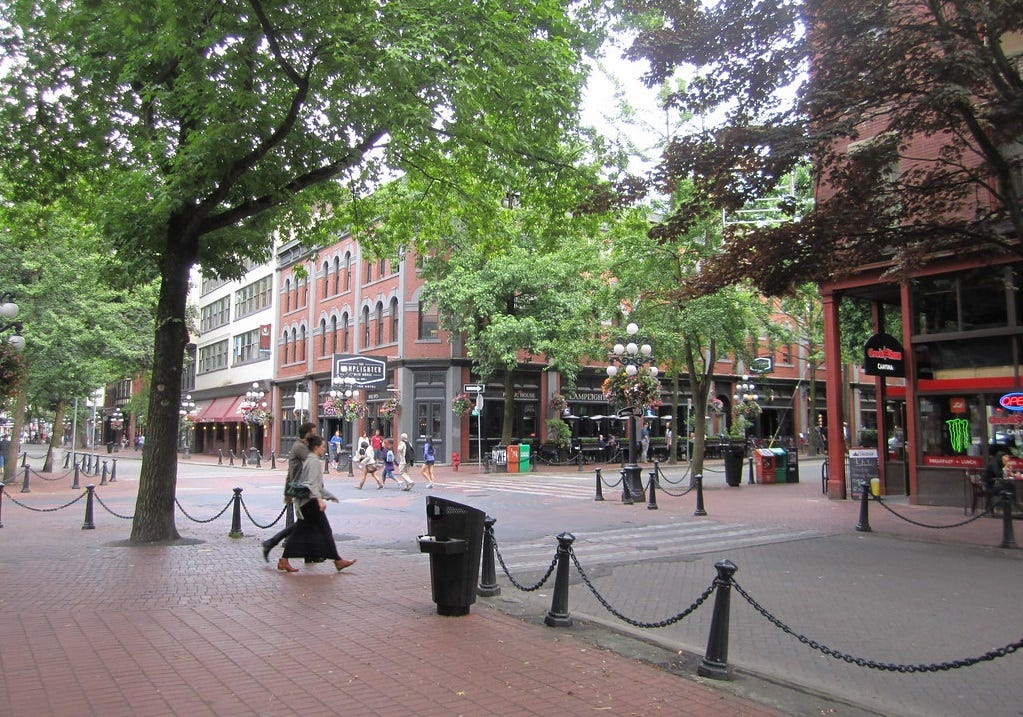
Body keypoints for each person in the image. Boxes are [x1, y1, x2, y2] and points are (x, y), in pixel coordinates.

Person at [277, 435, 356, 573]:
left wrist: (329, 496)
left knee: (298, 531)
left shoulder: (310, 460)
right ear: (315, 447)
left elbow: (315, 485)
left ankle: (284, 560)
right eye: (322, 447)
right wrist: (320, 499)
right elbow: (312, 484)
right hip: (310, 502)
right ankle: (338, 561)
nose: (324, 449)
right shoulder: (313, 461)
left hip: (307, 501)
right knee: (326, 530)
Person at [261, 422, 316, 562]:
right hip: (302, 491)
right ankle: (274, 546)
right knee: (303, 524)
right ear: (307, 433)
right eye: (313, 432)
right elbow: (312, 461)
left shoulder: (301, 447)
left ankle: (309, 555)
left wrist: (287, 492)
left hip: (303, 489)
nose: (315, 435)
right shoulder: (300, 447)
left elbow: (291, 472)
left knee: (306, 524)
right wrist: (288, 492)